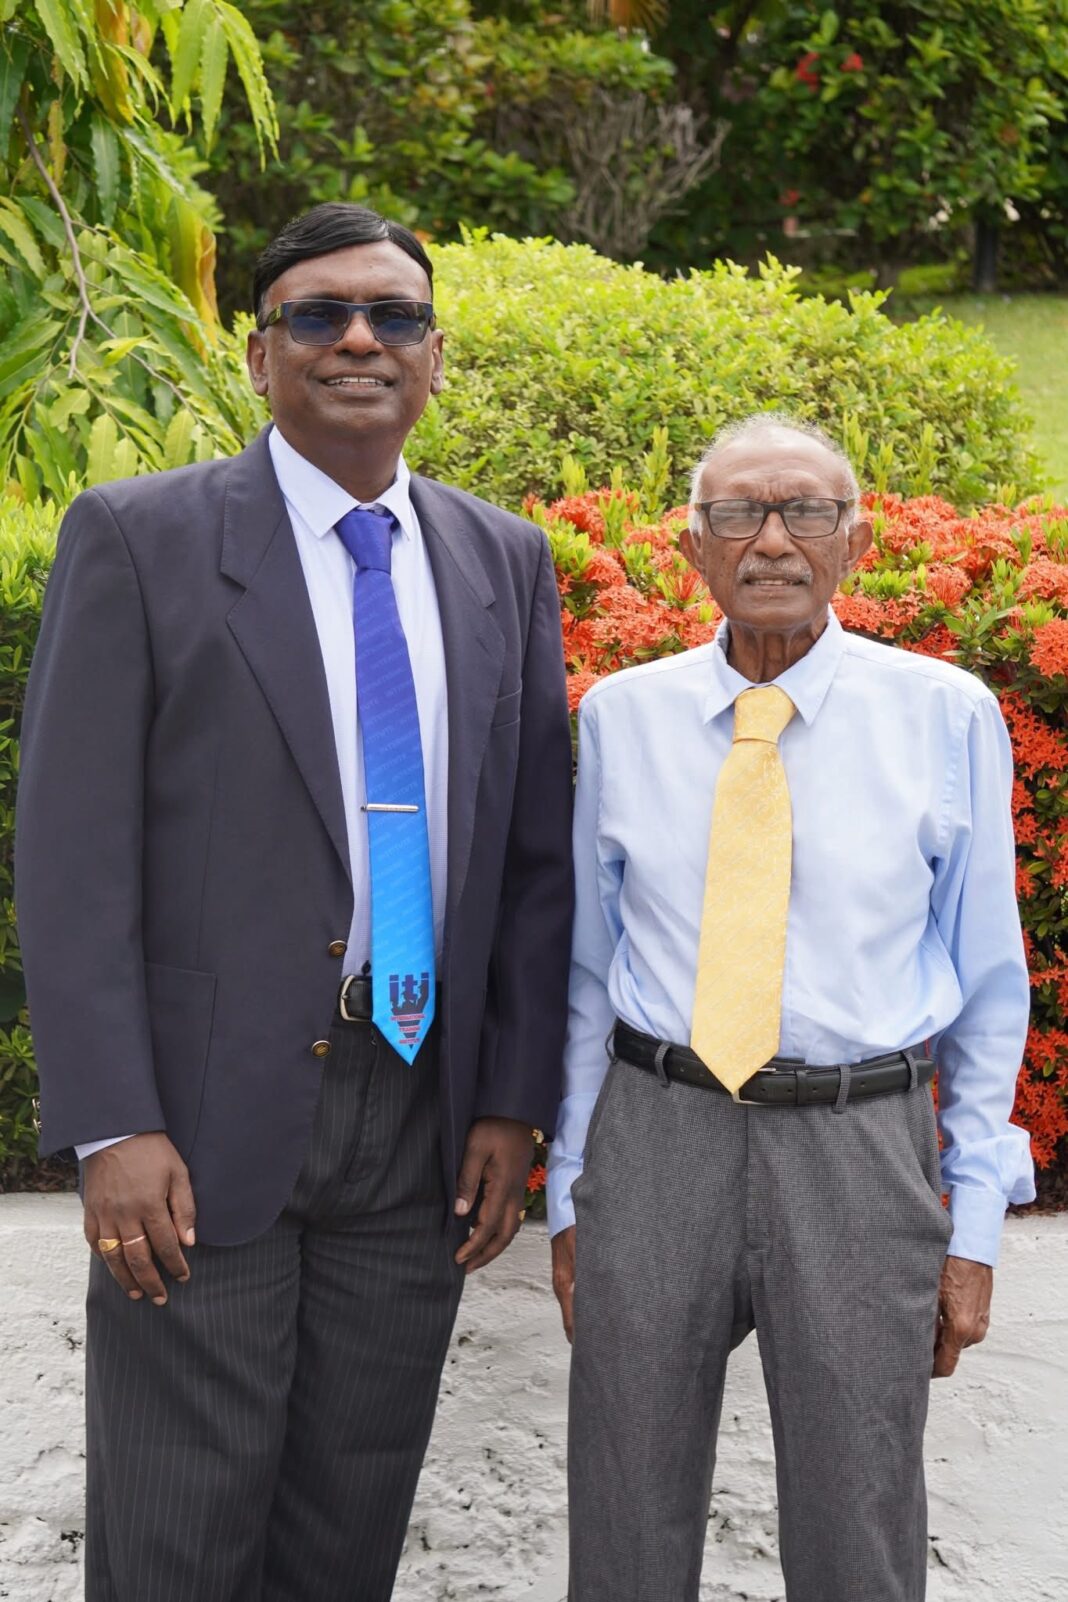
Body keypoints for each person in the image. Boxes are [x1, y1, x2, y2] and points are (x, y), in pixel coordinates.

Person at [16, 202, 574, 1602]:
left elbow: (529, 852)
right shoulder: (139, 538)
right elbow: (73, 855)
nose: (359, 340)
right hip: (199, 1126)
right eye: (318, 315)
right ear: (258, 355)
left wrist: (512, 1096)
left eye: (393, 315)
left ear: (436, 356)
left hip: (423, 1119)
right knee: (179, 1532)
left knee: (347, 1527)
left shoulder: (502, 557)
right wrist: (114, 1120)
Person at [548, 414, 1033, 1602]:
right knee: (622, 1508)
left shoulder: (945, 714)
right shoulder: (623, 714)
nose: (772, 540)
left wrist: (972, 1225)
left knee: (861, 1518)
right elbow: (584, 974)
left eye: (804, 512)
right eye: (737, 514)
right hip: (658, 1137)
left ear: (853, 543)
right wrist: (569, 1189)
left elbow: (985, 988)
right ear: (695, 547)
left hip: (858, 1148)